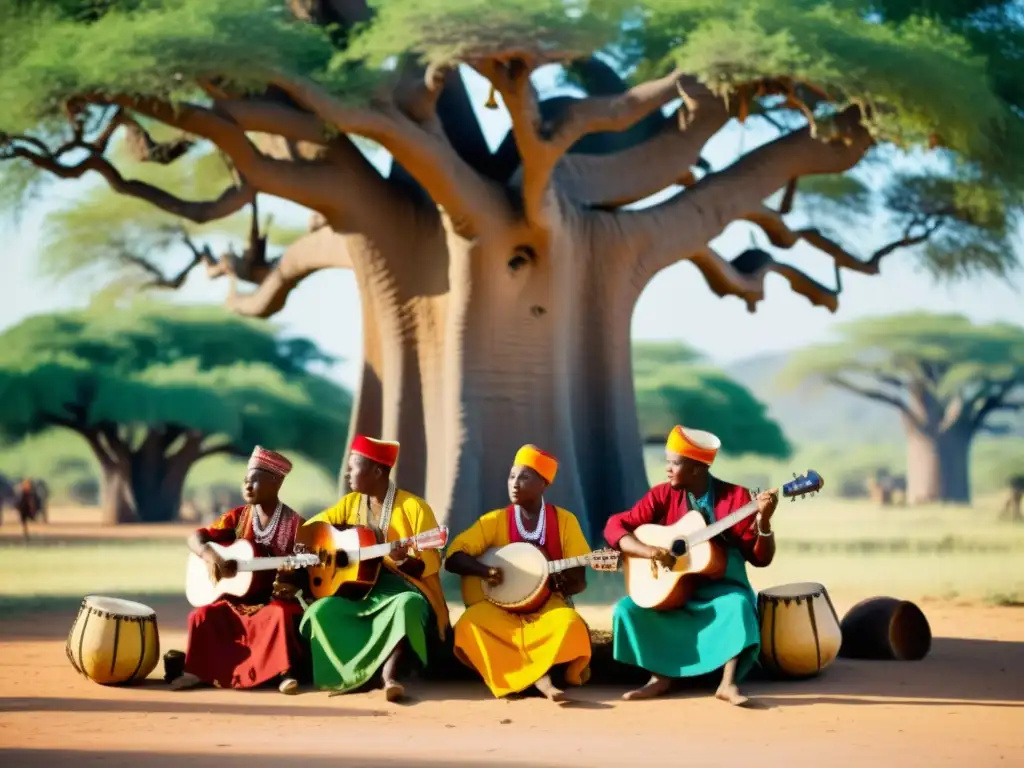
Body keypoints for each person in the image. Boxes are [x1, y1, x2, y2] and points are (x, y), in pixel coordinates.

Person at [604, 425, 778, 706]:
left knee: (739, 607)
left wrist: (764, 523)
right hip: (675, 590)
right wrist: (648, 551)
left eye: (675, 463)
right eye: (668, 462)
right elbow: (616, 525)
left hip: (721, 590)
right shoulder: (662, 495)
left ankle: (728, 683)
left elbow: (761, 558)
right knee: (627, 608)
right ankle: (660, 677)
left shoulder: (736, 499)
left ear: (697, 468)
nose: (668, 469)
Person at [300, 435, 450, 702]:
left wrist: (402, 559)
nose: (347, 472)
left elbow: (428, 565)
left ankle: (390, 675)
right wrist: (332, 543)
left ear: (377, 471)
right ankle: (348, 674)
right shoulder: (350, 504)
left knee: (407, 606)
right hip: (360, 591)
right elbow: (311, 529)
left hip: (405, 588)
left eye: (353, 466)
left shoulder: (414, 507)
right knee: (321, 611)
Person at [445, 445, 592, 703]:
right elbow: (454, 558)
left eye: (524, 477)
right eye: (512, 476)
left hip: (547, 608)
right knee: (469, 624)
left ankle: (525, 676)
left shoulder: (565, 521)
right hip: (501, 609)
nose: (514, 483)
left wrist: (563, 584)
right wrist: (486, 571)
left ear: (543, 484)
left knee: (571, 625)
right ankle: (540, 678)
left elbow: (579, 581)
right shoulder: (494, 520)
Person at [173, 446, 308, 694]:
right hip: (234, 600)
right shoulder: (237, 517)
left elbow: (306, 573)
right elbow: (196, 538)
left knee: (279, 616)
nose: (247, 485)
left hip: (271, 601)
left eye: (255, 480)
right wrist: (210, 555)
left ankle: (282, 674)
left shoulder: (296, 524)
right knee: (201, 616)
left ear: (276, 482)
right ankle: (198, 672)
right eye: (246, 479)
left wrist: (292, 578)